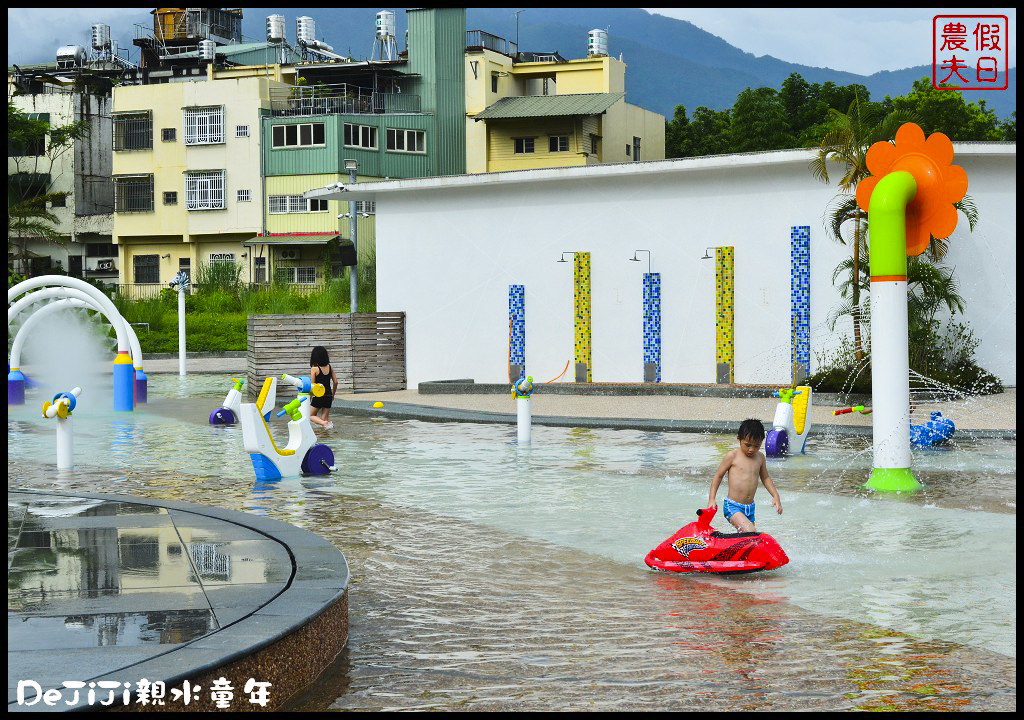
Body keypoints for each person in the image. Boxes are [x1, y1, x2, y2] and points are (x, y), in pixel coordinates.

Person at [708, 418, 782, 532]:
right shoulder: (732, 456)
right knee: (751, 532)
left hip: (750, 508)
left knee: (747, 538)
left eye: (756, 446)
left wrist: (775, 495)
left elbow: (765, 478)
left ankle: (731, 548)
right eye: (747, 445)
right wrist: (712, 499)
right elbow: (718, 476)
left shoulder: (760, 458)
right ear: (739, 438)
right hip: (732, 506)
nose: (751, 449)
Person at [309, 345, 338, 430]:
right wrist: (333, 395)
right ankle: (324, 437)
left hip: (319, 396)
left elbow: (313, 385)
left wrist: (310, 397)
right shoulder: (330, 367)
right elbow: (336, 382)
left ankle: (322, 423)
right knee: (325, 420)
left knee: (310, 416)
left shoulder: (314, 369)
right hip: (328, 396)